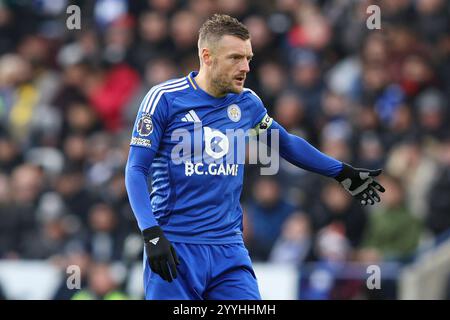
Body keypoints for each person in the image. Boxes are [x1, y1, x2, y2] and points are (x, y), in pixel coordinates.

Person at [125, 14, 385, 300]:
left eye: (248, 58)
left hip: (229, 249)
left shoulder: (246, 103)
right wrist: (151, 232)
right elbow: (136, 169)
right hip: (176, 243)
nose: (246, 67)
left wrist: (341, 172)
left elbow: (284, 143)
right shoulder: (164, 98)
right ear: (207, 56)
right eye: (236, 58)